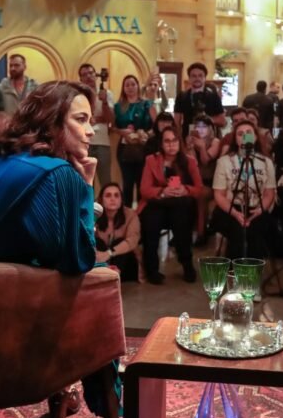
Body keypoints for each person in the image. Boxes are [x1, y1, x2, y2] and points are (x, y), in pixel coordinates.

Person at [0, 81, 118, 418]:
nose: (90, 130)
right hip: (3, 321)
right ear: (51, 121)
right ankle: (110, 406)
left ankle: (66, 390)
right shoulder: (57, 173)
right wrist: (85, 187)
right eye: (80, 119)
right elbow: (80, 259)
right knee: (100, 279)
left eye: (91, 121)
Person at [139, 127, 204, 284]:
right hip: (158, 203)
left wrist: (185, 189)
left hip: (180, 205)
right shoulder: (151, 160)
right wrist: (163, 191)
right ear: (161, 144)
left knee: (181, 216)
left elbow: (199, 189)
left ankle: (187, 264)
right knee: (151, 219)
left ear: (179, 142)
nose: (171, 145)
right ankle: (152, 269)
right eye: (167, 141)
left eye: (174, 141)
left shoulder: (189, 161)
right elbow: (144, 190)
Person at [211, 119, 277, 260]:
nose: (245, 136)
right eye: (240, 134)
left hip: (257, 207)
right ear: (235, 139)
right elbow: (219, 195)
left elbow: (269, 193)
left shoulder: (266, 162)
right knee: (237, 231)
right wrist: (235, 213)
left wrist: (260, 210)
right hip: (230, 208)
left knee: (256, 231)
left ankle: (251, 268)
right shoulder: (224, 162)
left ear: (255, 137)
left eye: (248, 133)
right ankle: (235, 267)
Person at [113, 74, 156, 207]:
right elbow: (112, 127)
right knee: (127, 184)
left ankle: (142, 214)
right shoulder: (118, 106)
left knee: (142, 183)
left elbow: (156, 124)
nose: (130, 87)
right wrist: (122, 132)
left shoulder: (147, 104)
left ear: (138, 86)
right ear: (123, 88)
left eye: (133, 84)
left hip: (144, 148)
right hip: (125, 149)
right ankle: (126, 214)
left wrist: (146, 134)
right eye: (127, 85)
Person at [78, 63, 115, 190]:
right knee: (86, 183)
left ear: (96, 75)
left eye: (90, 73)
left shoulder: (107, 93)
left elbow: (111, 119)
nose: (88, 76)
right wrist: (91, 119)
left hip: (102, 143)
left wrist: (104, 102)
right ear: (81, 79)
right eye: (84, 75)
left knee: (106, 181)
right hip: (84, 143)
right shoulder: (78, 97)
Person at [96, 183, 142, 282]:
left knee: (119, 242)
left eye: (116, 195)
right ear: (101, 200)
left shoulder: (131, 215)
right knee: (97, 242)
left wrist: (108, 253)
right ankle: (101, 276)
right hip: (100, 261)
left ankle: (112, 279)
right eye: (108, 195)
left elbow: (132, 241)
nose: (113, 199)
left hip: (126, 265)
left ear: (121, 200)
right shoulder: (94, 214)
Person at [185, 114, 219, 243]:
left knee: (201, 194)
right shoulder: (192, 141)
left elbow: (205, 161)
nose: (200, 129)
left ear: (211, 128)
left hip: (210, 184)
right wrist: (190, 148)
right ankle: (182, 233)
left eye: (204, 126)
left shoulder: (215, 142)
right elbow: (191, 165)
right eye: (198, 126)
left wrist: (203, 147)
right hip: (194, 181)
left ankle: (201, 233)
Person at [174, 62, 225, 139]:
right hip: (188, 138)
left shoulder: (213, 96)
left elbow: (222, 121)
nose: (197, 78)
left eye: (200, 75)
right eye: (194, 76)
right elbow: (176, 122)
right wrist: (180, 140)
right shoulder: (182, 96)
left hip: (209, 139)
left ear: (205, 78)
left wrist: (207, 119)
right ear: (189, 78)